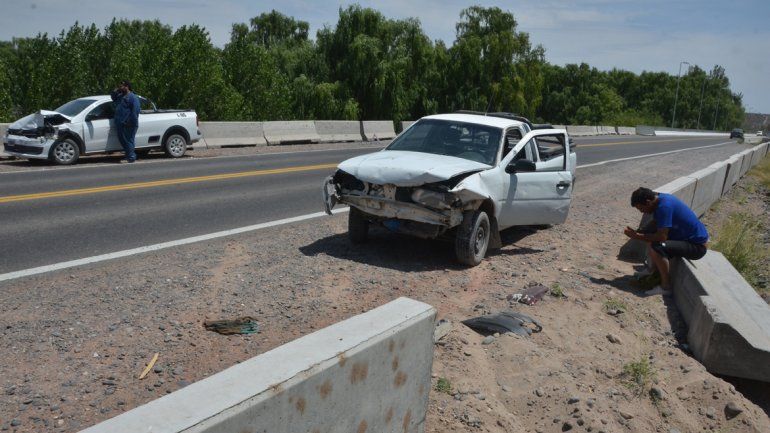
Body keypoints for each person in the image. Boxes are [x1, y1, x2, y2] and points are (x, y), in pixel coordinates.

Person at [623, 187, 709, 296]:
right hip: (686, 239)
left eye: (641, 208)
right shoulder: (661, 199)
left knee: (657, 246)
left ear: (648, 202)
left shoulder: (664, 207)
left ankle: (665, 287)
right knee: (650, 236)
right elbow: (656, 223)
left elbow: (661, 237)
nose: (641, 212)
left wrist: (637, 236)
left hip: (697, 247)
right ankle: (651, 270)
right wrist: (640, 231)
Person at [111, 80, 140, 163]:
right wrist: (115, 90)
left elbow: (135, 111)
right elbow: (113, 97)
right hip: (120, 123)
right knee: (123, 140)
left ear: (127, 87)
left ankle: (131, 157)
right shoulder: (120, 96)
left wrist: (130, 121)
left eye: (122, 86)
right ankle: (128, 156)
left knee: (129, 141)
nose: (120, 87)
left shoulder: (133, 97)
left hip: (129, 124)